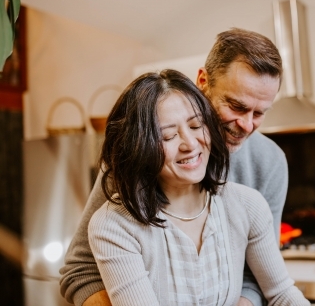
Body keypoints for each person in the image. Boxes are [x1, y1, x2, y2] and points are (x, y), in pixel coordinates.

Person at [60, 28, 289, 306]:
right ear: (203, 81)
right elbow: (80, 270)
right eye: (236, 106)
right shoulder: (140, 154)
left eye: (259, 113)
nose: (247, 124)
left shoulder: (269, 164)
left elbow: (261, 275)